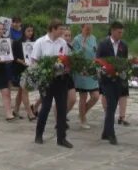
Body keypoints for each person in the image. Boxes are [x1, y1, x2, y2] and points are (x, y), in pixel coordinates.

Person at [32, 19, 73, 148]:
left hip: (61, 79)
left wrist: (67, 67)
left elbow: (66, 59)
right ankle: (39, 134)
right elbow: (34, 61)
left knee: (61, 108)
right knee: (46, 107)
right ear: (53, 29)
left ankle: (61, 138)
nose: (62, 31)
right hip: (46, 80)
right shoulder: (41, 42)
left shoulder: (63, 43)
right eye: (60, 29)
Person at [96, 21, 128, 145]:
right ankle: (111, 134)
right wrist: (103, 72)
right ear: (113, 31)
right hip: (106, 80)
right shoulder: (104, 44)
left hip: (118, 80)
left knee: (112, 106)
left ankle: (105, 132)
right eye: (119, 32)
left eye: (122, 32)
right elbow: (98, 60)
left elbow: (124, 62)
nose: (121, 34)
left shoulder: (123, 45)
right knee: (111, 105)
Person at [73, 22, 100, 130]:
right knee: (83, 97)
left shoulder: (93, 38)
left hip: (91, 69)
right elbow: (74, 55)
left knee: (95, 96)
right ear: (82, 28)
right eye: (87, 28)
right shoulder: (77, 39)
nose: (89, 30)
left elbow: (95, 51)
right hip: (81, 70)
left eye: (90, 28)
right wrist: (82, 48)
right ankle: (83, 119)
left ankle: (82, 113)